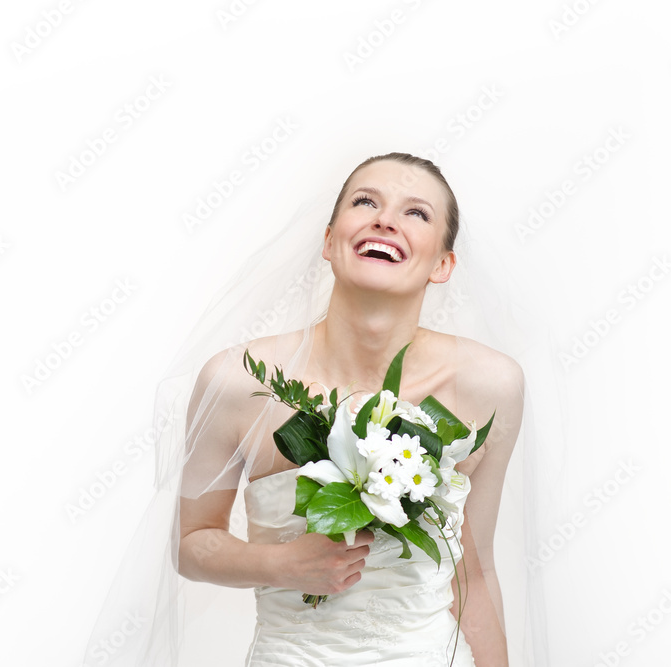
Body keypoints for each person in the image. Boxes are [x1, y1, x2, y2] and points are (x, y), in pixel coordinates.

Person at [82, 152, 548, 666]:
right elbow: (191, 543)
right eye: (365, 201)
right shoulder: (236, 380)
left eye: (417, 213)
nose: (385, 219)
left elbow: (474, 572)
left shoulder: (490, 386)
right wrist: (280, 564)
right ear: (329, 241)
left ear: (443, 264)